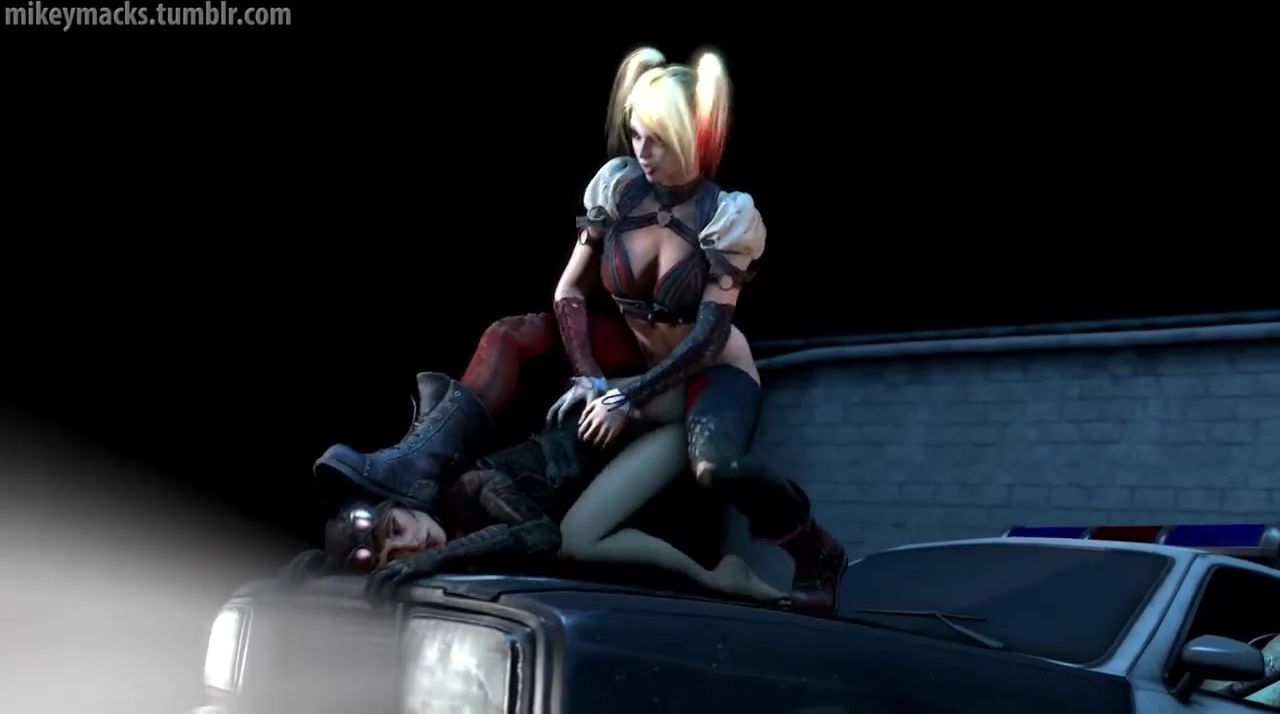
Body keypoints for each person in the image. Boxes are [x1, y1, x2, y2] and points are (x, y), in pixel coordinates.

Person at [545, 45, 846, 614]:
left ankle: (816, 550)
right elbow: (568, 292)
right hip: (658, 393)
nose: (642, 152)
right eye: (636, 135)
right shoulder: (617, 190)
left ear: (692, 135)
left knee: (718, 470)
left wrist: (624, 396)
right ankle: (719, 579)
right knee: (577, 540)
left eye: (657, 139)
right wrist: (589, 378)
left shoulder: (727, 216)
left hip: (713, 375)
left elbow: (708, 338)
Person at [318, 378, 785, 605]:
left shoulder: (468, 486)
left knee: (573, 539)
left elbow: (540, 534)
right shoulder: (460, 548)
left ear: (401, 505)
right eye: (393, 557)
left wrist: (429, 561)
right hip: (644, 441)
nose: (411, 545)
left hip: (663, 409)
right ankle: (719, 577)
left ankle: (718, 576)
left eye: (396, 528)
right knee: (581, 539)